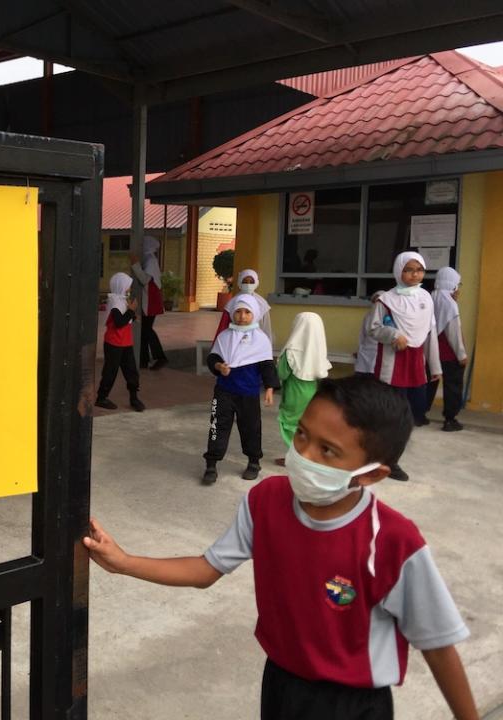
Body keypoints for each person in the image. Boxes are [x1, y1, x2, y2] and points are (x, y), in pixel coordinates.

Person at [84, 375, 478, 720]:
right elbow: (206, 569)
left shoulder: (393, 541)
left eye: (328, 451)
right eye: (302, 434)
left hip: (351, 704)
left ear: (372, 474)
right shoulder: (266, 500)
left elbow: (438, 645)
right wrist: (124, 562)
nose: (303, 455)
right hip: (280, 683)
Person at [368, 251, 441, 481]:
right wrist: (393, 334)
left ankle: (389, 454)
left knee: (412, 412)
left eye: (418, 270)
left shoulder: (426, 298)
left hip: (415, 363)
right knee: (390, 412)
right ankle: (387, 461)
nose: (414, 274)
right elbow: (373, 328)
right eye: (408, 269)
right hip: (394, 361)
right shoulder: (386, 300)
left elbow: (430, 333)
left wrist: (435, 366)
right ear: (399, 271)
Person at [203, 295, 278, 484]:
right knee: (217, 426)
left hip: (248, 394)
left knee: (251, 428)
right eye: (238, 311)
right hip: (223, 391)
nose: (242, 316)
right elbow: (212, 358)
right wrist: (219, 367)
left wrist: (269, 387)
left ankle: (254, 462)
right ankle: (211, 463)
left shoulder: (261, 339)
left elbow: (267, 366)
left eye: (247, 312)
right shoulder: (224, 336)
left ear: (254, 314)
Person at [277, 312, 331, 455]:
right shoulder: (319, 351)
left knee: (290, 424)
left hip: (294, 394)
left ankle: (294, 455)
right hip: (314, 394)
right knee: (308, 425)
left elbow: (281, 373)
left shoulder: (291, 351)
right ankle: (307, 453)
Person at [96, 272, 145, 412]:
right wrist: (131, 311)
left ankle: (134, 398)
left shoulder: (121, 300)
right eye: (128, 286)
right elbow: (119, 322)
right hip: (114, 343)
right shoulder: (115, 303)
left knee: (131, 372)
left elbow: (125, 317)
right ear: (121, 286)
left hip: (125, 342)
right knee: (110, 372)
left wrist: (132, 315)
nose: (129, 289)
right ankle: (101, 398)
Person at [426, 267, 468, 432]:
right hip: (450, 354)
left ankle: (420, 414)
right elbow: (454, 333)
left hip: (431, 352)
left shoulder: (431, 297)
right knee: (453, 386)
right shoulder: (450, 305)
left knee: (429, 383)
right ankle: (450, 419)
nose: (458, 290)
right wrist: (462, 354)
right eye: (458, 285)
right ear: (452, 285)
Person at [129, 236, 169, 370]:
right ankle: (144, 361)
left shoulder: (150, 260)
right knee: (145, 331)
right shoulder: (149, 259)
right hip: (149, 299)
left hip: (151, 300)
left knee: (146, 330)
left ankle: (159, 357)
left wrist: (135, 265)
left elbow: (145, 279)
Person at [214, 268, 274, 343]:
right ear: (239, 282)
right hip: (234, 342)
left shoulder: (262, 304)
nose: (248, 284)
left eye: (251, 282)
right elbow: (223, 327)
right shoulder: (232, 304)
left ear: (256, 283)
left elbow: (266, 329)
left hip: (256, 344)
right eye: (245, 281)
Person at [354, 291, 385, 376]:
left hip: (380, 351)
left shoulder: (389, 317)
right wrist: (359, 349)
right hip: (365, 350)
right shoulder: (368, 315)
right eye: (375, 301)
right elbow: (362, 334)